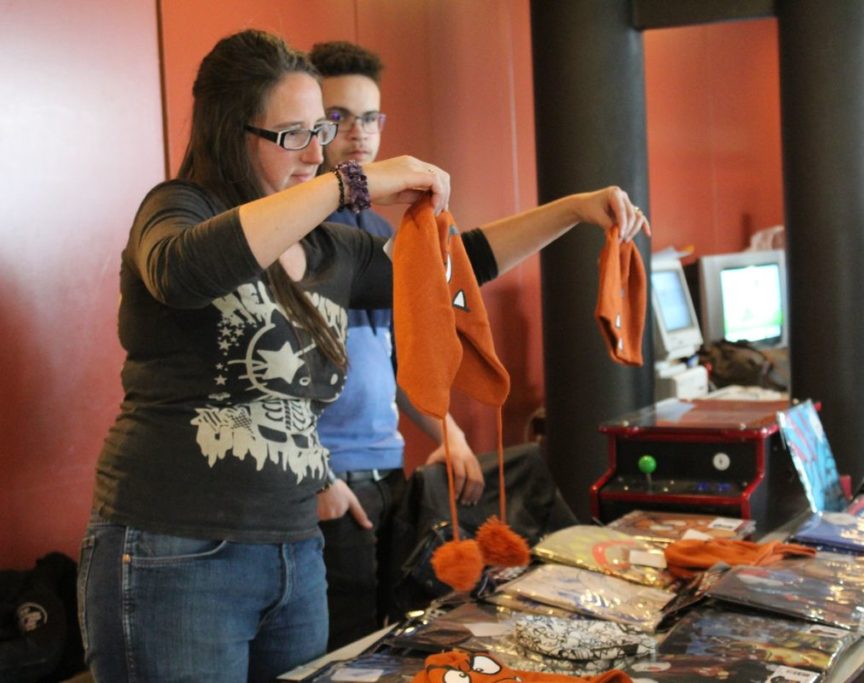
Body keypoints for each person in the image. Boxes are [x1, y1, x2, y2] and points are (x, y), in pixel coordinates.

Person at [77, 29, 649, 683]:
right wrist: (349, 184)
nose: (315, 152)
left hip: (294, 550)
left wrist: (573, 211)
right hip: (175, 547)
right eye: (293, 134)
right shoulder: (176, 209)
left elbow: (458, 266)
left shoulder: (328, 249)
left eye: (318, 130)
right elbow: (183, 272)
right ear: (229, 132)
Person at [307, 40, 481, 648]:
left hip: (386, 471)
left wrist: (450, 435)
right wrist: (317, 478)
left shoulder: (382, 227)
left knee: (388, 640)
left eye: (370, 117)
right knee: (341, 647)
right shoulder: (298, 225)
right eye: (338, 116)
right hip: (328, 480)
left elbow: (400, 358)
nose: (358, 132)